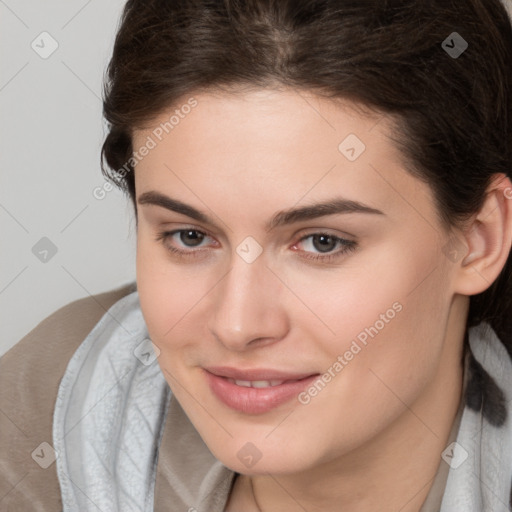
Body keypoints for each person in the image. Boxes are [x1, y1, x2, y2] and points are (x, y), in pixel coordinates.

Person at [1, 0, 512, 510]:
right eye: (190, 236)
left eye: (321, 242)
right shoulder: (48, 405)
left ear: (478, 239)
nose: (237, 325)